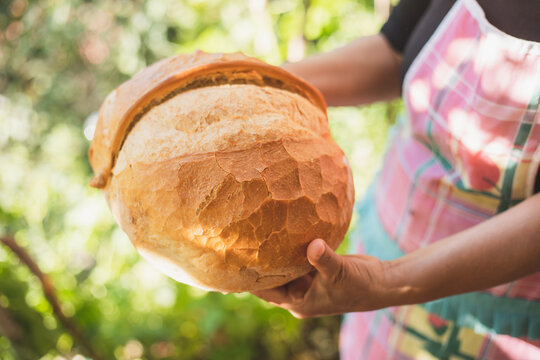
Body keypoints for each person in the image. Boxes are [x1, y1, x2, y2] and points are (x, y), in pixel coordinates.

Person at [252, 0, 540, 358]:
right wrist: (257, 83)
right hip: (378, 268)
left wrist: (386, 282)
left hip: (498, 323)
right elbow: (394, 52)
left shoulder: (382, 283)